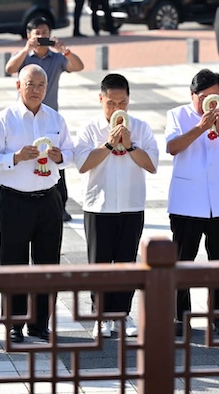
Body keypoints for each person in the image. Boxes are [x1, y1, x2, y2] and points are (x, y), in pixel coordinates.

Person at [0, 64, 75, 343]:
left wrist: (60, 158)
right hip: (15, 199)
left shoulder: (55, 119)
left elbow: (71, 154)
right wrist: (16, 157)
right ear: (18, 86)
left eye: (41, 85)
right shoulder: (5, 119)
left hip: (49, 198)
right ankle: (13, 322)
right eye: (30, 84)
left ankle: (39, 322)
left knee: (48, 262)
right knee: (13, 262)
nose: (35, 90)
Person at [165, 69, 219, 338]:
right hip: (187, 202)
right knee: (182, 261)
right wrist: (201, 127)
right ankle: (180, 316)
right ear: (193, 95)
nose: (211, 103)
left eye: (216, 97)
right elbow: (173, 147)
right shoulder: (178, 115)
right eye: (204, 97)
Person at [75, 73, 158, 338]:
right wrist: (110, 143)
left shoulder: (141, 127)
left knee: (126, 261)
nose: (116, 109)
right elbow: (82, 164)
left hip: (131, 204)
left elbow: (153, 164)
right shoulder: (89, 128)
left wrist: (131, 145)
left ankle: (121, 314)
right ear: (101, 99)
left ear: (129, 101)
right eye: (111, 103)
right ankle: (100, 315)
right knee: (100, 263)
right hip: (98, 205)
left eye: (121, 103)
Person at [5, 16, 84, 222]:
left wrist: (64, 50)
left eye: (45, 33)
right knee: (28, 155)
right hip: (25, 117)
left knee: (56, 157)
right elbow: (9, 69)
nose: (42, 37)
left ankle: (61, 204)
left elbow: (78, 66)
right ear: (29, 35)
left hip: (50, 118)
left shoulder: (56, 58)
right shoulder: (25, 57)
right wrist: (25, 49)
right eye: (38, 34)